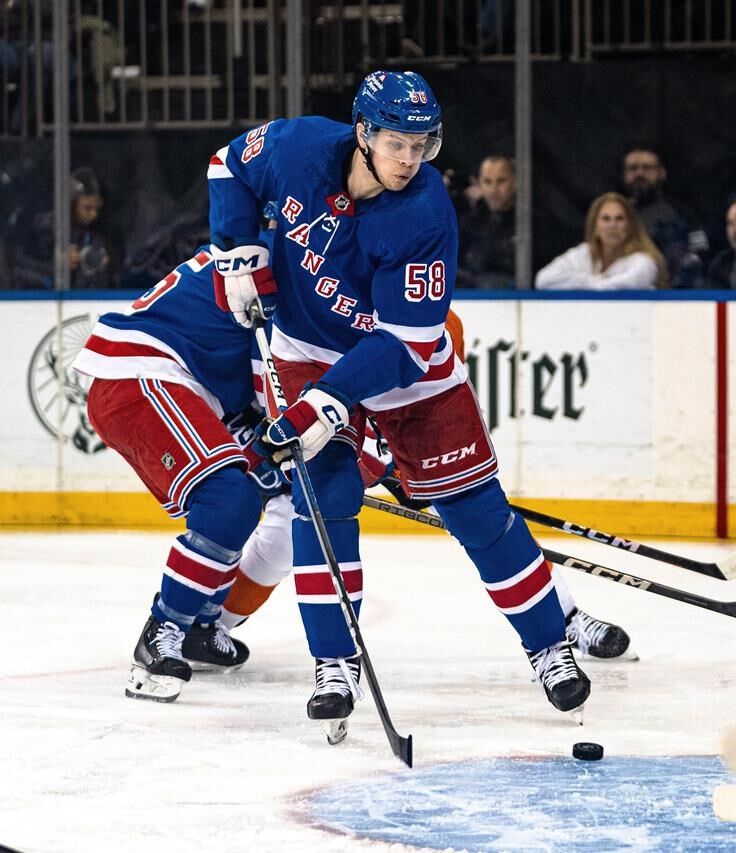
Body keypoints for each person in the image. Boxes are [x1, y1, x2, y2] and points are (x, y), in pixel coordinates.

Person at [207, 70, 612, 736]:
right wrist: (237, 248)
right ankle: (335, 663)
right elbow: (228, 166)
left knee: (477, 511)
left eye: (422, 144)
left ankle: (548, 645)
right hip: (309, 346)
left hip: (405, 365)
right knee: (324, 499)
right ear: (363, 132)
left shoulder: (424, 213)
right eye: (396, 142)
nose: (409, 159)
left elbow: (407, 345)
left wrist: (328, 402)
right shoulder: (300, 147)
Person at [70, 247, 291, 702]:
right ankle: (164, 628)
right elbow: (277, 401)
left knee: (248, 491)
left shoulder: (280, 249)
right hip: (141, 373)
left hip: (184, 380)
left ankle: (199, 625)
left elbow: (265, 411)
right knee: (230, 498)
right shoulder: (282, 266)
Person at [12, 166, 123, 289]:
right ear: (71, 204)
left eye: (97, 208)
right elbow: (21, 268)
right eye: (87, 208)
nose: (93, 214)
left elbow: (121, 273)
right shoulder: (44, 229)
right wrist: (55, 265)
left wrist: (110, 264)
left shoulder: (104, 231)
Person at [535, 191, 667, 290]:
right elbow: (544, 280)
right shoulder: (582, 253)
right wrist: (590, 280)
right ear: (595, 226)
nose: (612, 225)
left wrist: (587, 284)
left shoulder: (643, 260)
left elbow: (630, 283)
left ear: (629, 226)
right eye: (606, 219)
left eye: (619, 219)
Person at [620, 147, 709, 288]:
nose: (639, 173)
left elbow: (700, 251)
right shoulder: (615, 213)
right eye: (633, 168)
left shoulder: (681, 212)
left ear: (662, 173)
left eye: (647, 168)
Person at [456, 154, 516, 289]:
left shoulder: (529, 224)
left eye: (501, 181)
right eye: (488, 181)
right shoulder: (468, 224)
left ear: (515, 181)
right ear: (479, 183)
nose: (494, 190)